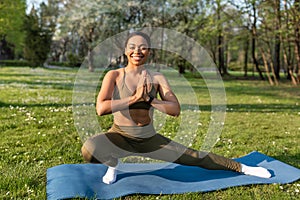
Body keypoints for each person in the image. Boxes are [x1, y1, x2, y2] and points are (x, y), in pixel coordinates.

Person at [81, 31, 271, 184]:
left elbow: (175, 109)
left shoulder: (157, 78)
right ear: (125, 50)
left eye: (143, 47)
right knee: (90, 149)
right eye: (132, 47)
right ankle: (113, 163)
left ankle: (243, 168)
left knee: (196, 156)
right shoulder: (113, 75)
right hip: (120, 135)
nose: (137, 51)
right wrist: (134, 99)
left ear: (149, 52)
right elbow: (101, 108)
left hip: (149, 138)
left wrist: (150, 100)